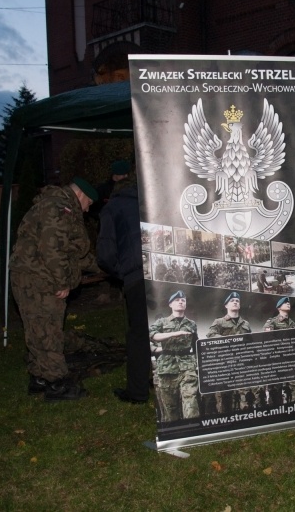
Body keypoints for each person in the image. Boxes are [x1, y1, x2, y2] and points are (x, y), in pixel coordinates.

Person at [10, 177, 100, 401]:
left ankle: (39, 376)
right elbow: (53, 249)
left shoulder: (51, 204)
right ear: (81, 195)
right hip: (39, 280)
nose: (88, 209)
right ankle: (57, 384)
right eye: (89, 202)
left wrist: (105, 265)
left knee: (37, 329)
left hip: (30, 276)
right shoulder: (59, 208)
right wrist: (62, 282)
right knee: (48, 330)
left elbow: (72, 251)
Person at [96, 176, 150, 404]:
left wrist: (123, 273)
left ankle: (137, 392)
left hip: (137, 275)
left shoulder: (113, 207)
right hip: (167, 273)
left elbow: (106, 254)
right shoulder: (151, 199)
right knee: (166, 325)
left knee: (139, 334)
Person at [149, 290, 200, 421]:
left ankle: (193, 428)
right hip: (167, 366)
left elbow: (196, 345)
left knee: (191, 401)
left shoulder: (191, 324)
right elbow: (153, 335)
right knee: (170, 407)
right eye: (177, 300)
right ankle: (176, 432)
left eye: (183, 300)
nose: (181, 302)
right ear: (170, 304)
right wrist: (174, 334)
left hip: (187, 365)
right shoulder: (161, 322)